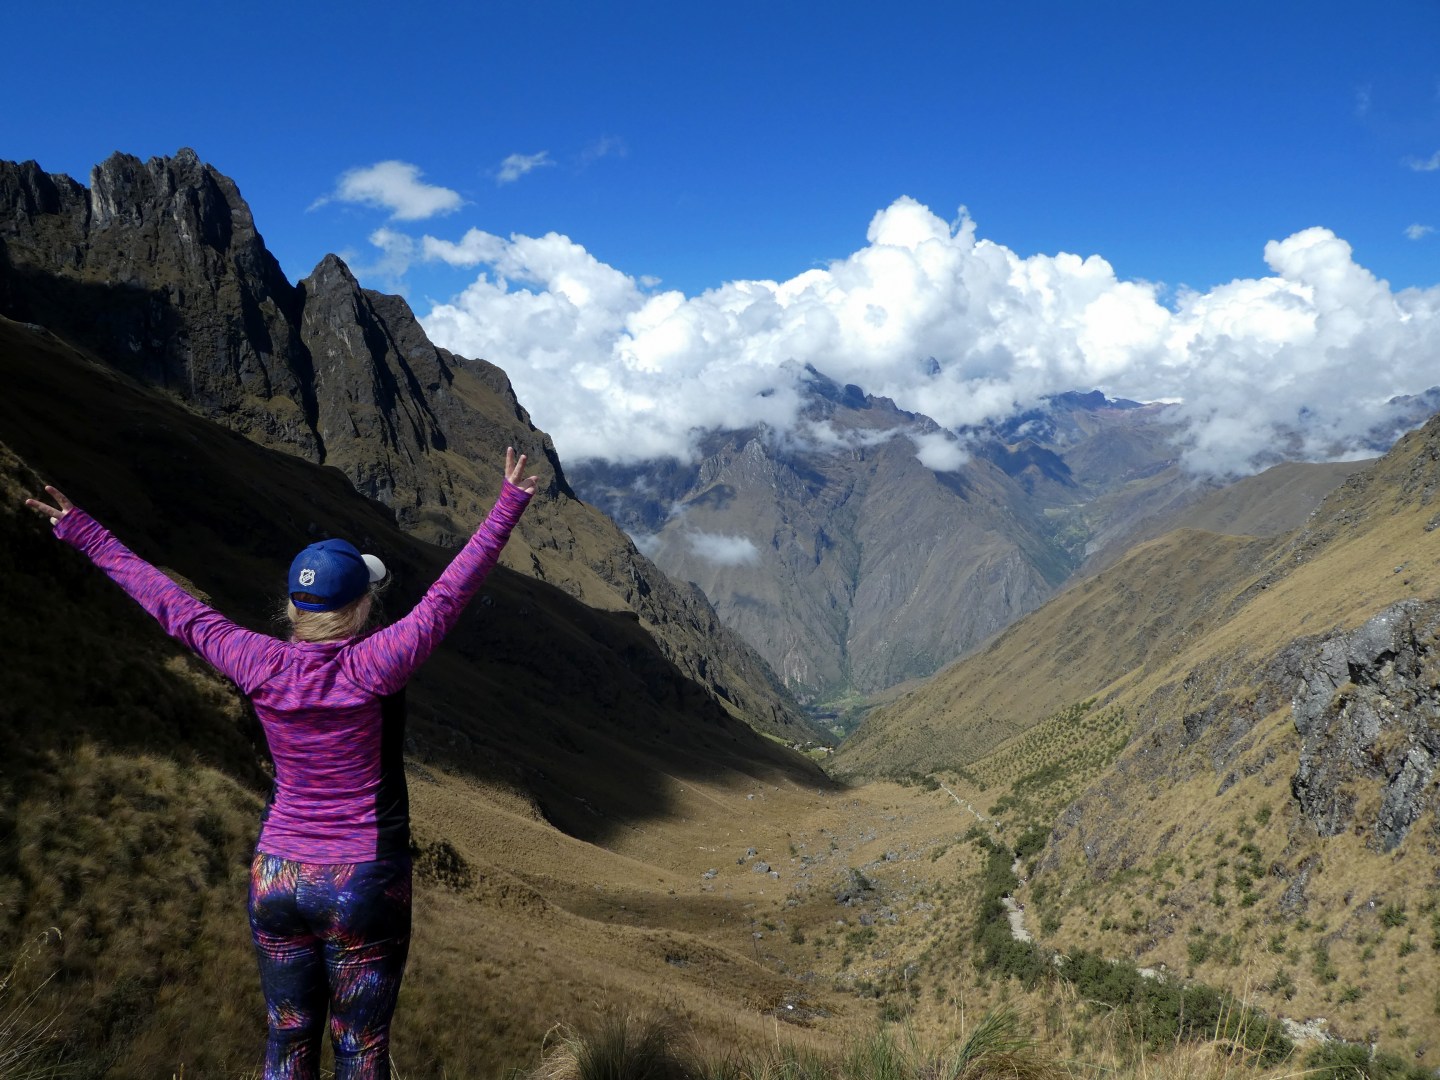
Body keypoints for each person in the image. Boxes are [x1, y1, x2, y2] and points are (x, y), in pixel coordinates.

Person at [24, 448, 541, 1080]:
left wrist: (83, 531)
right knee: (360, 1049)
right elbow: (447, 596)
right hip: (361, 879)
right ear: (360, 607)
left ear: (295, 606)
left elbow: (170, 605)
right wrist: (507, 504)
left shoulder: (253, 661)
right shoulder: (377, 664)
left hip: (276, 877)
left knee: (288, 1041)